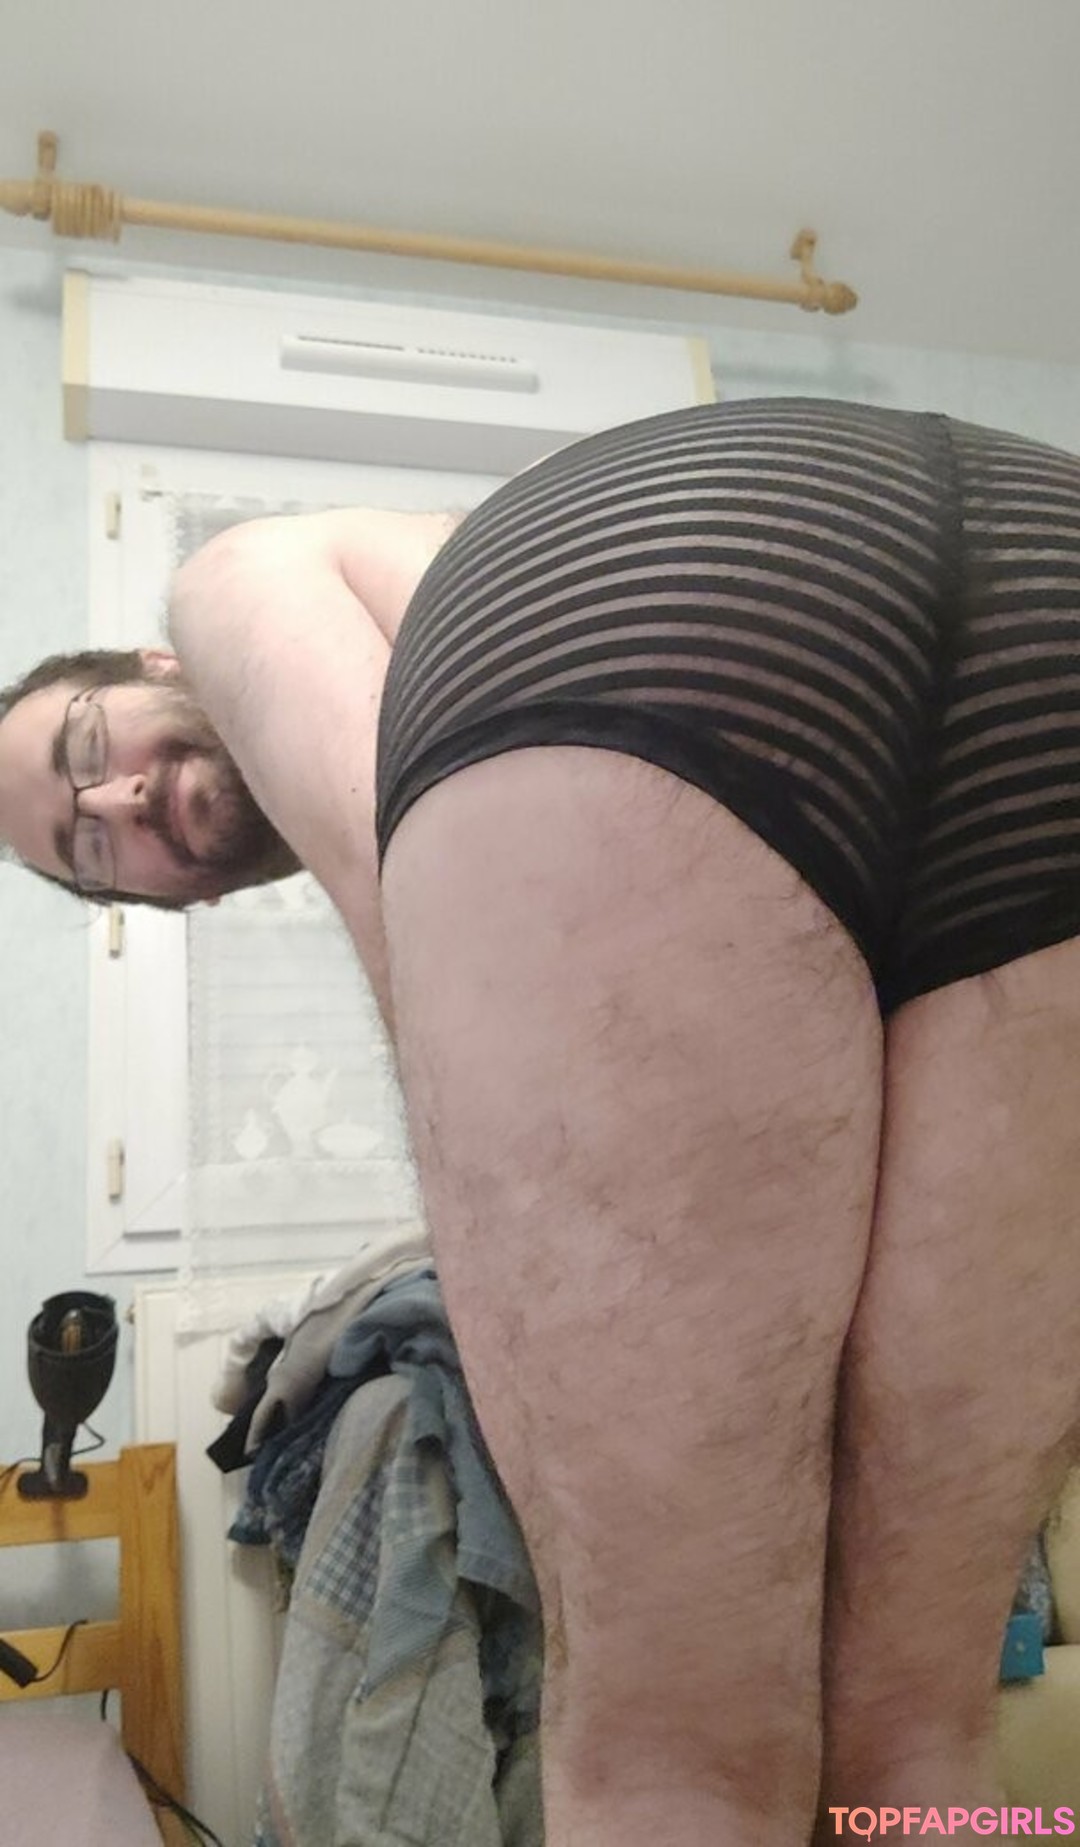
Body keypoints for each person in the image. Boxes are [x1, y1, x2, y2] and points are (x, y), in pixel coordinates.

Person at [3, 397, 1080, 1846]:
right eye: (86, 841)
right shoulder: (411, 561)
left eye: (88, 739)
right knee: (924, 1731)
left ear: (154, 667)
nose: (123, 794)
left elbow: (404, 898)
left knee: (671, 1759)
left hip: (659, 583)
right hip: (1045, 555)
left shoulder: (231, 577)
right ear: (146, 905)